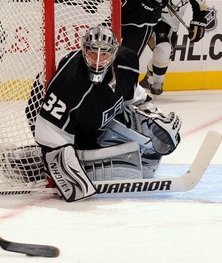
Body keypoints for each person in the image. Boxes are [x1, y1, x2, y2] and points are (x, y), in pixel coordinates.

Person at [29, 26, 182, 202]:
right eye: (93, 53)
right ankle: (35, 163)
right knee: (123, 170)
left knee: (150, 133)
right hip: (65, 131)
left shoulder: (126, 62)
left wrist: (153, 115)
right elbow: (49, 132)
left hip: (98, 121)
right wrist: (71, 179)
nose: (97, 60)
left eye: (104, 54)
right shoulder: (71, 84)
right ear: (84, 50)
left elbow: (134, 96)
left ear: (114, 53)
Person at [139, 0, 207, 95]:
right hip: (153, 21)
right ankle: (157, 84)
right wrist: (156, 0)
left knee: (163, 53)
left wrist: (199, 22)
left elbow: (200, 5)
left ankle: (149, 76)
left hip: (172, 26)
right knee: (163, 49)